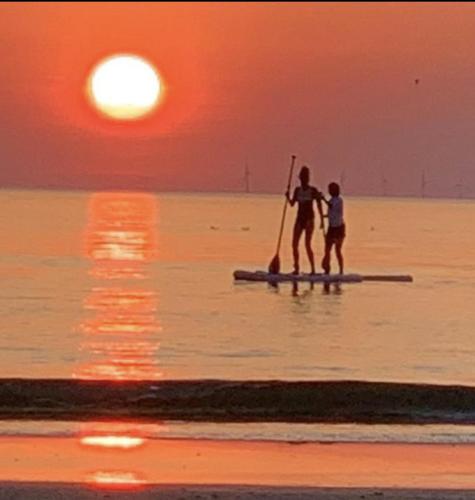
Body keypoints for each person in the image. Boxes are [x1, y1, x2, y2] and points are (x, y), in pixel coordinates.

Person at [285, 166, 324, 275]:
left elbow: (319, 204)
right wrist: (288, 197)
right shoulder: (297, 190)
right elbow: (292, 204)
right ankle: (296, 268)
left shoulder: (313, 190)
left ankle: (313, 269)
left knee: (307, 244)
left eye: (305, 178)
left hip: (309, 219)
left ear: (307, 178)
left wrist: (322, 220)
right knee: (294, 244)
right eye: (302, 177)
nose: (303, 180)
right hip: (299, 218)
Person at [321, 182, 345, 275]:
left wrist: (323, 199)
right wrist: (324, 216)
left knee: (337, 250)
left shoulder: (339, 200)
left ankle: (341, 271)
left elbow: (332, 207)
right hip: (331, 228)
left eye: (330, 189)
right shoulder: (331, 200)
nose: (329, 191)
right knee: (327, 249)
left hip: (339, 228)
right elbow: (332, 213)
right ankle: (327, 269)